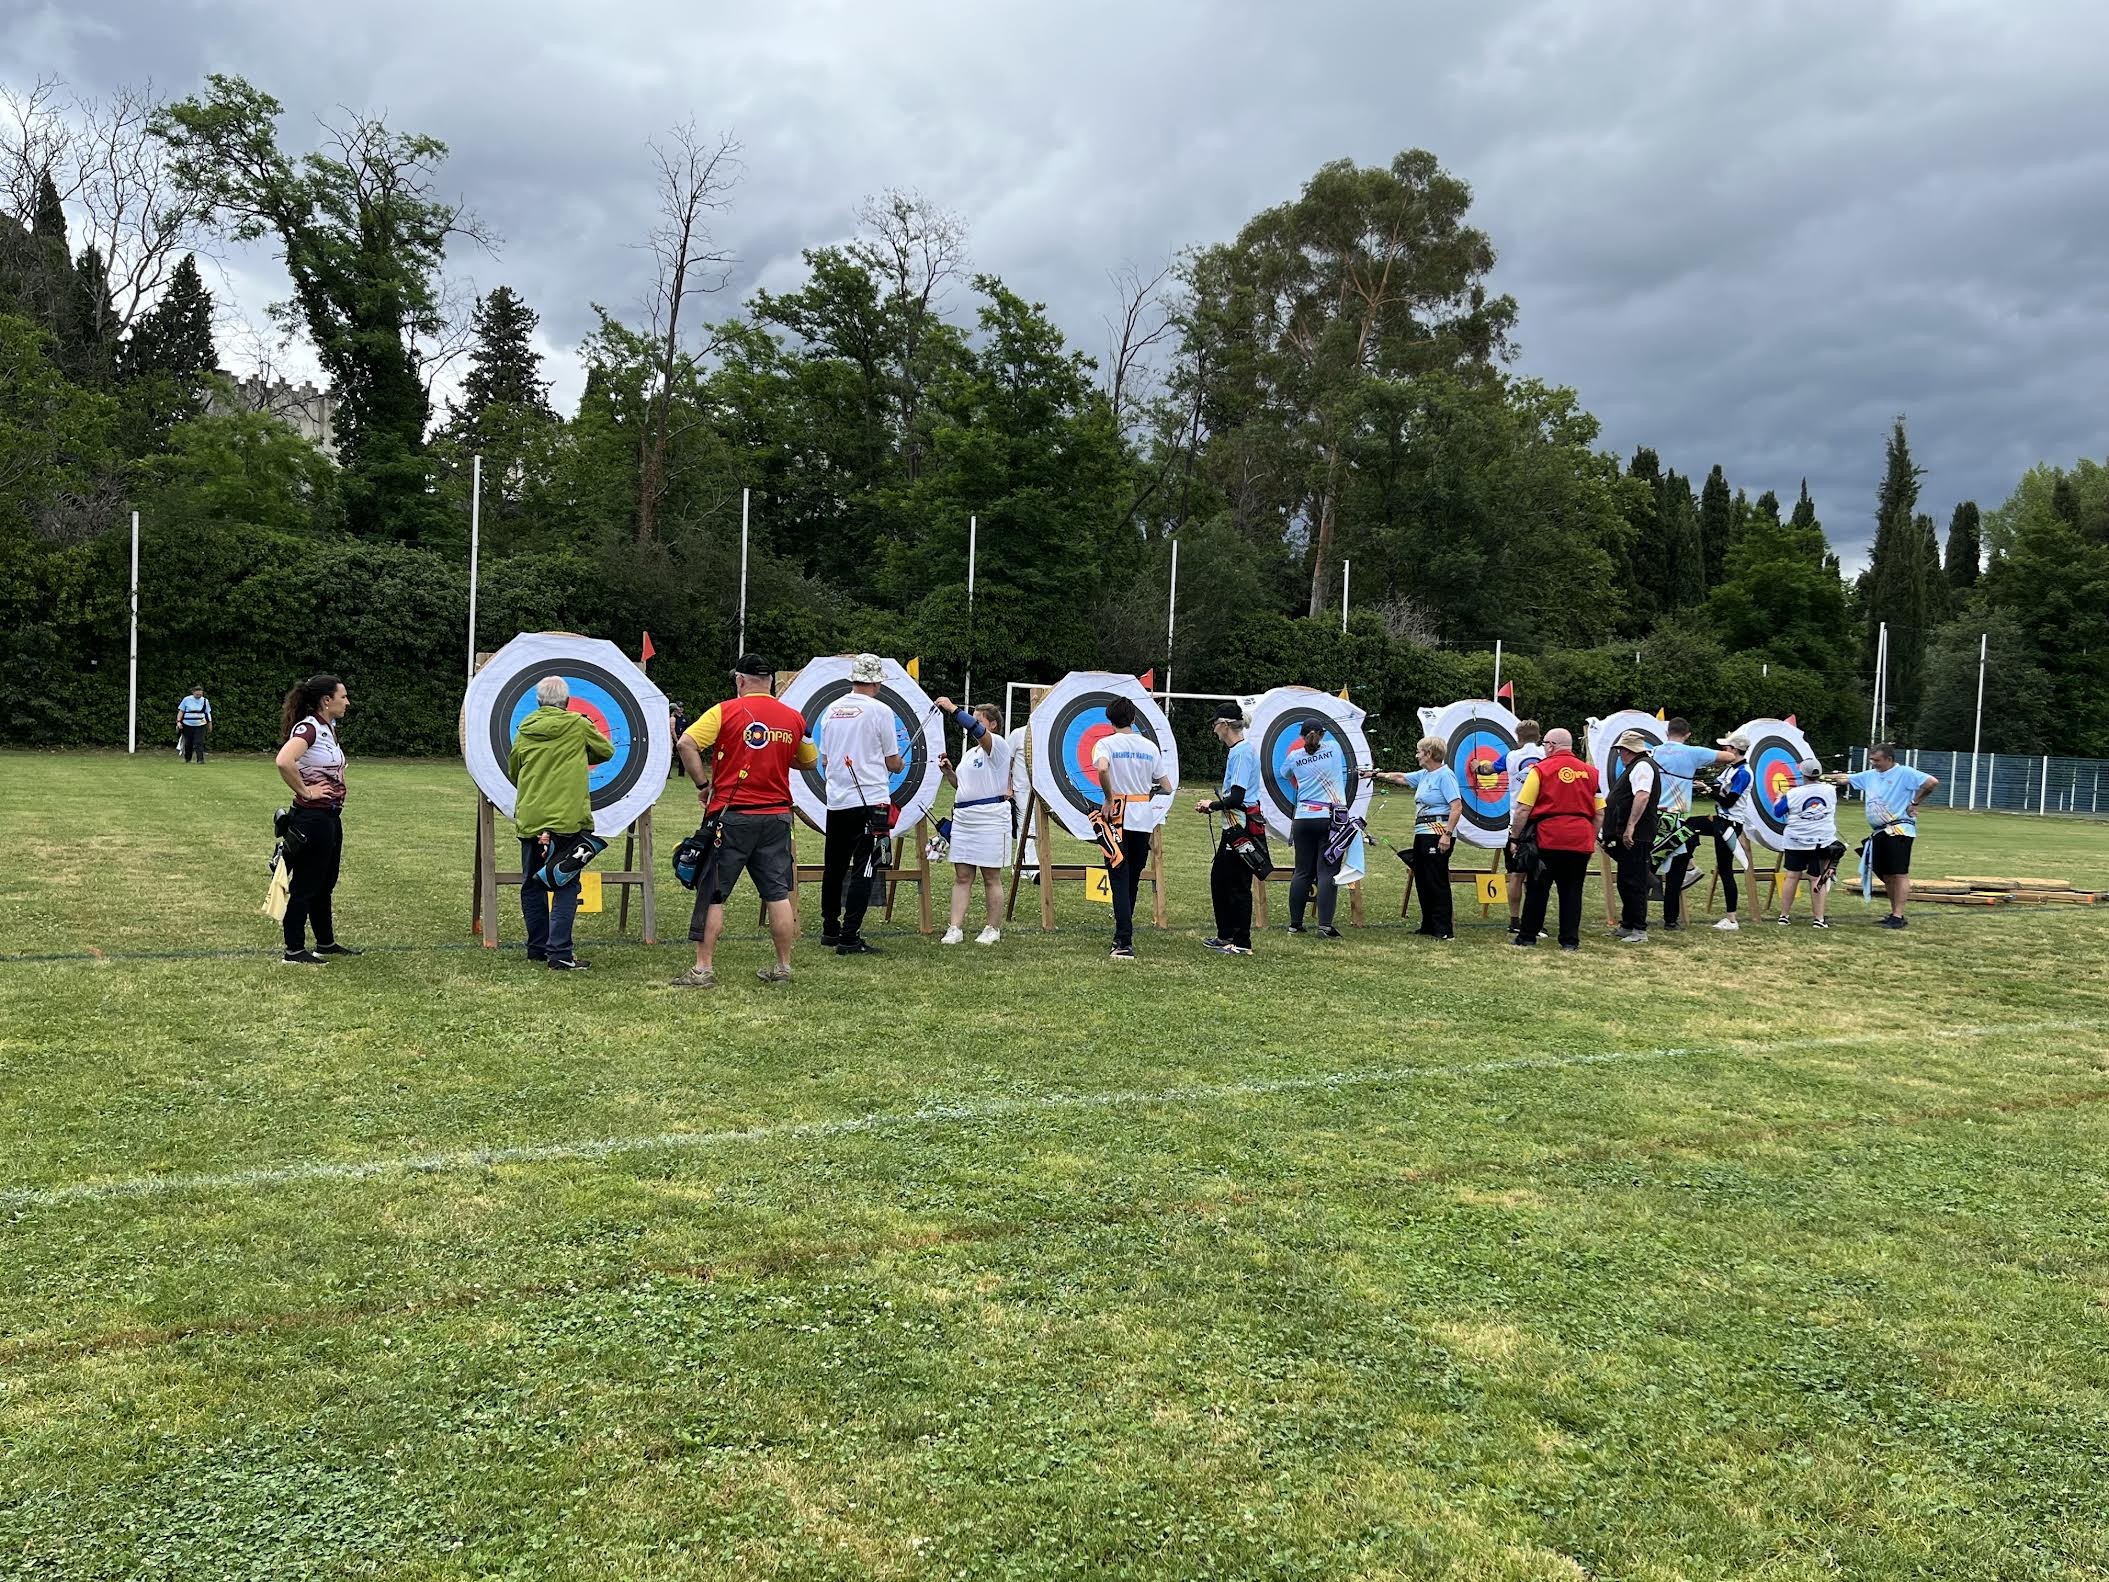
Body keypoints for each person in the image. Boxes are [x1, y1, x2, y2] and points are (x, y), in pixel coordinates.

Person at [669, 654, 817, 988]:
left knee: (714, 893)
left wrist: (703, 786)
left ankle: (703, 969)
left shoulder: (725, 710)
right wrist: (777, 755)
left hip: (731, 816)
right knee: (778, 894)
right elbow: (810, 761)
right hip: (777, 815)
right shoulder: (794, 717)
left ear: (740, 680)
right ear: (770, 683)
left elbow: (686, 743)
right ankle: (782, 967)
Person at [507, 676, 614, 970]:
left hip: (531, 818)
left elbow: (514, 769)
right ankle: (560, 953)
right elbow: (606, 751)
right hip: (567, 820)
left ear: (538, 702)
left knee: (532, 885)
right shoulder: (578, 725)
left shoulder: (525, 729)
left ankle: (537, 948)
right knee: (565, 884)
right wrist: (580, 748)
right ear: (566, 702)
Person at [816, 654, 905, 955]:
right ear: (877, 681)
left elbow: (826, 759)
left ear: (854, 679)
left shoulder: (831, 710)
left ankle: (830, 929)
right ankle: (849, 937)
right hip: (871, 802)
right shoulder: (881, 710)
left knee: (835, 866)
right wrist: (898, 762)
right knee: (865, 867)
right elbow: (893, 762)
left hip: (838, 800)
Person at [272, 674, 355, 965]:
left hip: (329, 817)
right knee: (307, 884)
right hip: (312, 819)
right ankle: (294, 950)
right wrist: (305, 791)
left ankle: (325, 942)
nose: (347, 702)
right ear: (326, 700)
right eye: (343, 696)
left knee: (325, 881)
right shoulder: (308, 729)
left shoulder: (327, 728)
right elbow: (284, 760)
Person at [1090, 696, 1174, 961]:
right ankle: (1124, 934)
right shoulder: (1149, 746)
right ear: (1134, 719)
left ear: (1109, 720)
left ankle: (1123, 939)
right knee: (1133, 877)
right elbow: (1167, 786)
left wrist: (1108, 797)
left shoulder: (1105, 743)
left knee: (1118, 876)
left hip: (1118, 818)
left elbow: (1103, 768)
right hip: (1142, 818)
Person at [1508, 727, 1602, 951]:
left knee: (1538, 888)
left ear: (1550, 745)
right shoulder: (1590, 772)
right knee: (1572, 891)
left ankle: (1528, 936)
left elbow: (1523, 809)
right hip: (1579, 839)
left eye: (1545, 745)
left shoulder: (1540, 770)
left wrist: (1515, 837)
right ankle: (1569, 941)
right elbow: (1599, 812)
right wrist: (1589, 836)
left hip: (1548, 837)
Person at [1648, 718, 1744, 931]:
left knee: (1647, 869)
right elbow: (1729, 757)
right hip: (1678, 823)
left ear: (1667, 732)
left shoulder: (1653, 752)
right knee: (1675, 874)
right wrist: (1728, 748)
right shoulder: (1693, 753)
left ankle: (1636, 919)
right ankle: (1670, 921)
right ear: (1688, 734)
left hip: (1654, 820)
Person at [1830, 744, 1939, 929]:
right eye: (1872, 760)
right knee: (1886, 874)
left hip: (1899, 830)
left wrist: (1915, 802)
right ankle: (1894, 913)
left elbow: (1931, 782)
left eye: (1877, 760)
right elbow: (1844, 779)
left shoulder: (1905, 773)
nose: (1874, 764)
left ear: (1889, 759)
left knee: (1898, 873)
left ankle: (1898, 915)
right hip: (1879, 831)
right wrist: (1820, 777)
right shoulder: (1870, 775)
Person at [933, 695, 1013, 946]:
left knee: (991, 876)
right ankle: (955, 927)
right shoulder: (970, 754)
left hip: (990, 818)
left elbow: (974, 728)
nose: (973, 724)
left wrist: (953, 709)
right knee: (963, 876)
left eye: (979, 721)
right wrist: (949, 772)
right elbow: (962, 786)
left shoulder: (998, 746)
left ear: (992, 725)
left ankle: (992, 928)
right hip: (965, 819)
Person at [1193, 701, 1267, 955]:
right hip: (1234, 826)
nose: (1214, 729)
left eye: (1216, 724)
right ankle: (1225, 935)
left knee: (1237, 885)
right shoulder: (1238, 751)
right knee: (1220, 880)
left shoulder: (1242, 753)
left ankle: (1242, 942)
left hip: (1241, 827)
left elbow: (1236, 798)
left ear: (1225, 725)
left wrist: (1210, 804)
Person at [1379, 737, 1463, 940]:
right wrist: (1375, 774)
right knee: (1423, 880)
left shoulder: (1445, 775)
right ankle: (1428, 925)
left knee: (1436, 880)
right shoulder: (1425, 774)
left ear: (1429, 754)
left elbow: (1457, 806)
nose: (1417, 755)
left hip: (1438, 834)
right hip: (1422, 834)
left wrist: (1447, 835)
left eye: (1419, 752)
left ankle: (1443, 929)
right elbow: (1401, 777)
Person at [1281, 717, 1349, 938]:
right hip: (1330, 819)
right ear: (1322, 735)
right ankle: (1325, 927)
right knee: (1327, 872)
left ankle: (1295, 924)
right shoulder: (1335, 748)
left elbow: (1284, 774)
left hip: (1303, 819)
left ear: (1301, 736)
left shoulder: (1293, 756)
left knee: (1302, 871)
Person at [1689, 732, 1758, 931]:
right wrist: (1704, 786)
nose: (1723, 751)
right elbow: (1719, 788)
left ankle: (1732, 919)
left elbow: (1728, 801)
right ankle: (1691, 866)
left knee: (1725, 870)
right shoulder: (1731, 769)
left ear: (1734, 750)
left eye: (1726, 748)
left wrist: (1709, 791)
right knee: (1690, 824)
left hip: (1729, 825)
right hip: (1721, 821)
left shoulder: (1744, 773)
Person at [1601, 729, 1660, 943]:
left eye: (1621, 751)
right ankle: (1627, 925)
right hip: (1632, 832)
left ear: (1628, 751)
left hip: (1638, 834)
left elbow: (1642, 796)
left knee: (1635, 880)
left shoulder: (1642, 766)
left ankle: (1639, 929)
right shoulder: (1638, 765)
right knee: (1627, 880)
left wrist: (1630, 827)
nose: (1619, 755)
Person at [1773, 758, 1843, 928]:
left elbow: (1777, 811)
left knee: (1792, 876)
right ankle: (1818, 919)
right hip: (1821, 842)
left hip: (1796, 841)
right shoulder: (1830, 790)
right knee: (1817, 878)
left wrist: (1779, 797)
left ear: (1802, 774)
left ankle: (1784, 915)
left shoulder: (1793, 793)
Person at [1498, 720, 1544, 931]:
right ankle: (1535, 921)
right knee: (1540, 874)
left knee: (1516, 874)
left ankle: (1515, 921)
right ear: (1539, 736)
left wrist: (1476, 766)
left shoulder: (1510, 756)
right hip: (1542, 823)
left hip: (1517, 823)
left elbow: (1488, 768)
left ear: (1518, 737)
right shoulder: (1548, 755)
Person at [176, 686, 213, 764]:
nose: (199, 696)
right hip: (187, 724)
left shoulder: (205, 701)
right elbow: (181, 711)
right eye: (197, 694)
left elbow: (207, 713)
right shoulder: (186, 699)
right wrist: (178, 722)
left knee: (198, 742)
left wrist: (210, 724)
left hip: (200, 724)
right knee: (188, 742)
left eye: (200, 694)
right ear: (193, 693)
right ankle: (187, 759)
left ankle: (200, 760)